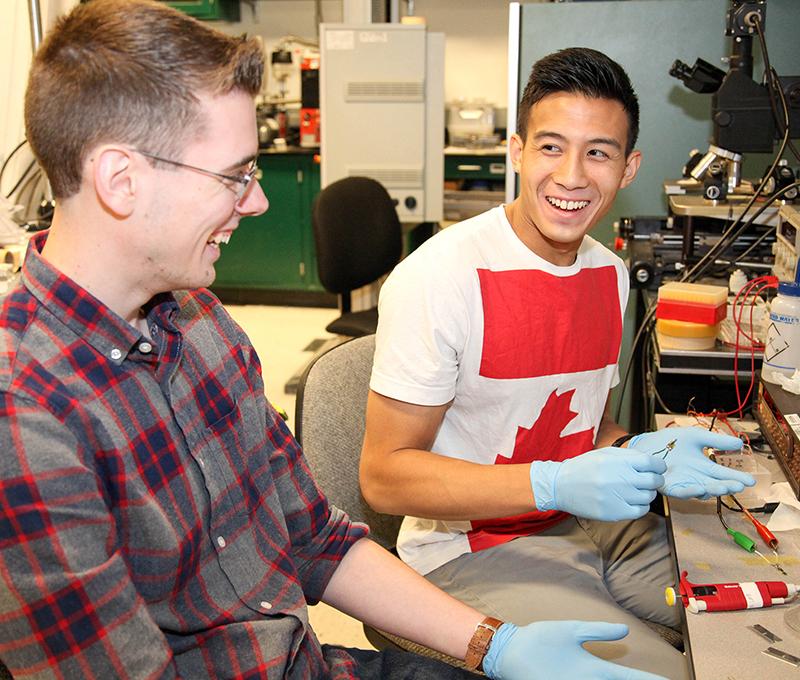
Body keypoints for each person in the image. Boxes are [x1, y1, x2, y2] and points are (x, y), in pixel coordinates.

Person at [0, 3, 676, 678]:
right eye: (236, 175)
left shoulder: (203, 326)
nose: (257, 201)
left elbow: (314, 538)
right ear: (122, 180)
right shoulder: (25, 413)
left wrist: (494, 646)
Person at [361, 47, 756, 680]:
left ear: (629, 168)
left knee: (753, 616)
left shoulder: (611, 273)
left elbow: (577, 432)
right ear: (516, 151)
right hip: (473, 546)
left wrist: (651, 450)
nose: (572, 176)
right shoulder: (441, 276)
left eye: (598, 152)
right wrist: (549, 483)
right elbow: (385, 477)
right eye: (551, 147)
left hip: (588, 522)